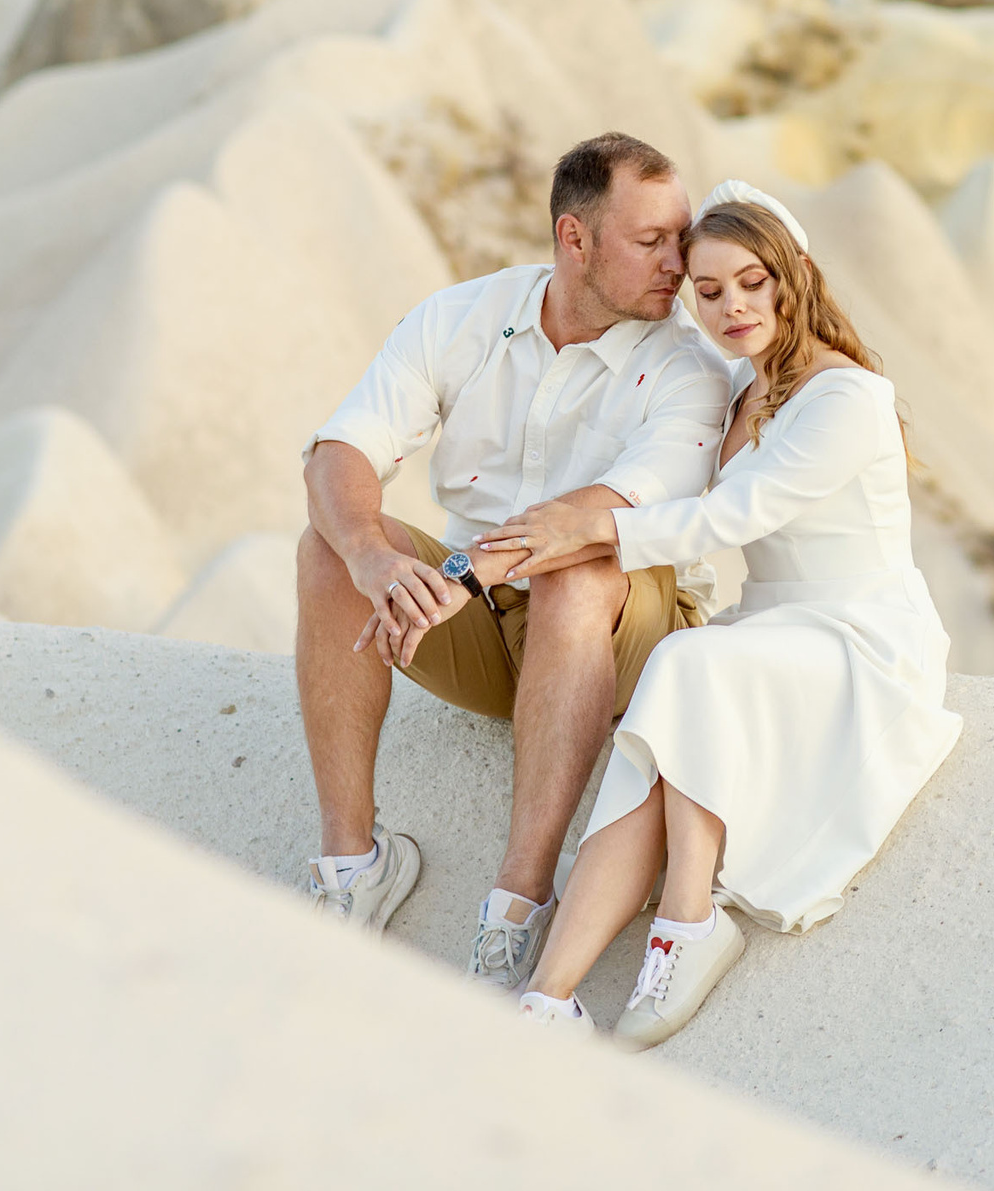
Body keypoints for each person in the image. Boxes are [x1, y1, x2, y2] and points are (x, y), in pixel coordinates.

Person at [476, 181, 961, 1048]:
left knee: (686, 667)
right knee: (651, 749)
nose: (732, 306)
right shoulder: (741, 385)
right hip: (769, 627)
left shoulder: (848, 397)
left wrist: (591, 528)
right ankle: (549, 997)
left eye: (752, 282)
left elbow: (732, 517)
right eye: (707, 291)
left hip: (860, 634)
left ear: (795, 275)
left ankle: (688, 919)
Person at [292, 132, 731, 996]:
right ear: (575, 240)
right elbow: (337, 452)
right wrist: (376, 558)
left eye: (681, 237)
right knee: (330, 545)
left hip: (629, 633)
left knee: (576, 566)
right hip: (491, 628)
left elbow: (595, 516)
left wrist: (454, 577)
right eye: (651, 242)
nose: (678, 265)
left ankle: (518, 904)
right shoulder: (459, 319)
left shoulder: (692, 366)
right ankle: (353, 867)